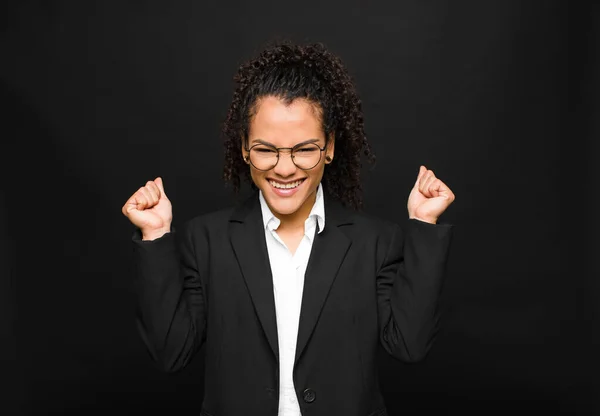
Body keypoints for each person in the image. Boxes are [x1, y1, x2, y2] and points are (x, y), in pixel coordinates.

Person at [122, 41, 455, 416]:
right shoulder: (207, 240)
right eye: (266, 149)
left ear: (329, 147)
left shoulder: (375, 241)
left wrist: (424, 225)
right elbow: (171, 352)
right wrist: (155, 235)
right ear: (245, 148)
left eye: (304, 149)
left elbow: (410, 345)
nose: (284, 168)